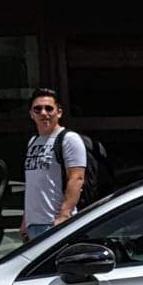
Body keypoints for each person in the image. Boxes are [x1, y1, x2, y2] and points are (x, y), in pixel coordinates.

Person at [21, 87, 86, 241]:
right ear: (31, 114)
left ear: (59, 112)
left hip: (55, 224)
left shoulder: (69, 139)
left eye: (49, 108)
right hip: (33, 225)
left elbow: (76, 178)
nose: (44, 113)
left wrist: (64, 216)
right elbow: (34, 183)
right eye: (38, 109)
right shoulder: (33, 141)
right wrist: (25, 219)